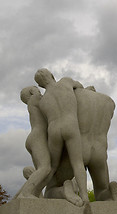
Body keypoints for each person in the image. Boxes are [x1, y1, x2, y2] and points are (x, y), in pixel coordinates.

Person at [34, 68, 88, 206]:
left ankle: (37, 191)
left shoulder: (42, 101)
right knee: (77, 162)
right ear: (52, 75)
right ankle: (84, 196)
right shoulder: (66, 82)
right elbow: (80, 88)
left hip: (53, 130)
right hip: (70, 125)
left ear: (40, 85)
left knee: (51, 167)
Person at [15, 86, 51, 199]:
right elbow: (54, 99)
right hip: (38, 137)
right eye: (37, 89)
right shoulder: (35, 98)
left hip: (34, 138)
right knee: (45, 168)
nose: (39, 91)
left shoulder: (31, 104)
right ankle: (25, 193)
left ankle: (19, 196)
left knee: (42, 174)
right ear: (32, 92)